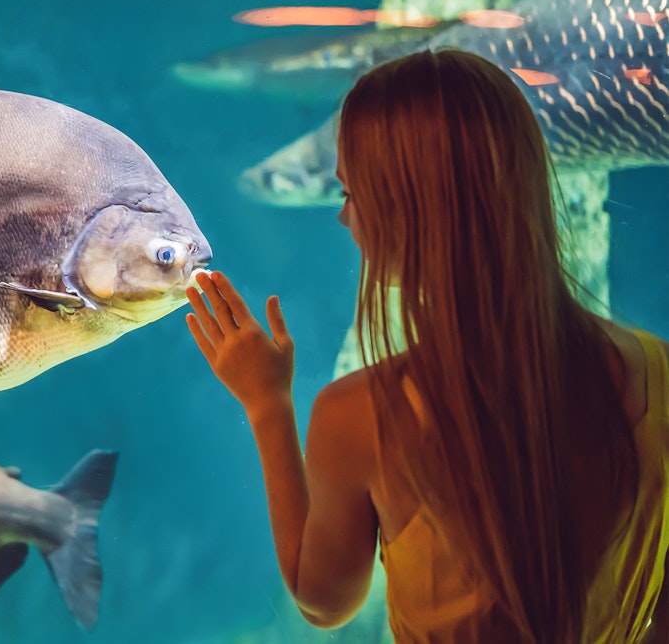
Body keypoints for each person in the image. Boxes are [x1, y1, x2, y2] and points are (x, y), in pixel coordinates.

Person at [185, 48, 668, 643]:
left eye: (351, 194)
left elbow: (325, 600)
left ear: (406, 211)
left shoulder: (358, 416)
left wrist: (267, 405)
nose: (343, 220)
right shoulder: (656, 369)